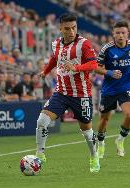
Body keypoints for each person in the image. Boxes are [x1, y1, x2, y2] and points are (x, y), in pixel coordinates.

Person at [35, 13, 100, 172]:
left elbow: (93, 64)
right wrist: (45, 71)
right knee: (42, 120)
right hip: (61, 93)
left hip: (81, 94)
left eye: (74, 28)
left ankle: (94, 156)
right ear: (60, 28)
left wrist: (76, 67)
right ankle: (40, 154)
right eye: (67, 28)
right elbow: (54, 58)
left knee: (86, 131)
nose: (71, 31)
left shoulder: (84, 44)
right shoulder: (56, 43)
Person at [95, 21, 130, 158]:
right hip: (109, 89)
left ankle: (120, 140)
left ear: (128, 34)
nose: (120, 35)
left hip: (126, 86)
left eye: (123, 33)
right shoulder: (107, 49)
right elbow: (96, 68)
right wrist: (109, 73)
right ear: (113, 34)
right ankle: (101, 143)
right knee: (104, 119)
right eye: (117, 33)